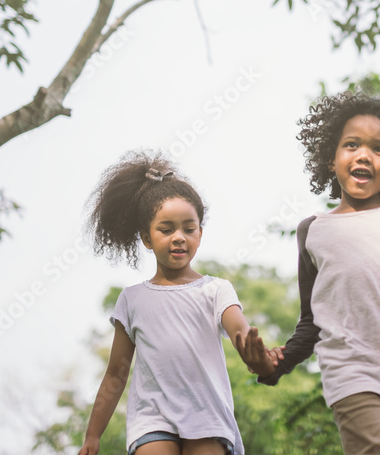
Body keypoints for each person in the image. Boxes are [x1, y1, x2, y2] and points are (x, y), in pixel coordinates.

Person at [238, 92, 380, 455]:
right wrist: (276, 365)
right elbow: (312, 322)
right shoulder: (314, 230)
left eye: (379, 149)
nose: (364, 155)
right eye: (351, 144)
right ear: (330, 157)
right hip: (352, 375)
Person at [78, 152, 263, 455]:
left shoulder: (217, 290)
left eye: (188, 229)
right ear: (147, 238)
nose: (179, 237)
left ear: (199, 235)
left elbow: (238, 328)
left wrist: (254, 352)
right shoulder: (132, 299)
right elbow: (116, 373)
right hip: (151, 420)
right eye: (166, 230)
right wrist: (92, 435)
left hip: (207, 417)